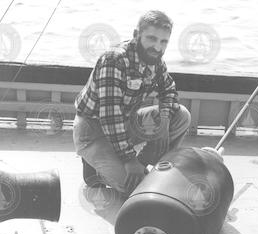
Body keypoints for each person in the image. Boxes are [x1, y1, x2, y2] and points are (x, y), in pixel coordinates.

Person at [73, 10, 192, 199]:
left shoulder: (155, 60)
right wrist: (128, 159)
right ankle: (95, 171)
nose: (157, 47)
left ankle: (143, 164)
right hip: (93, 131)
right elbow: (110, 118)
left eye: (163, 42)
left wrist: (164, 121)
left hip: (127, 122)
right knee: (135, 190)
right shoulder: (114, 60)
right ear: (136, 35)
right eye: (151, 38)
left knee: (181, 115)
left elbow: (169, 89)